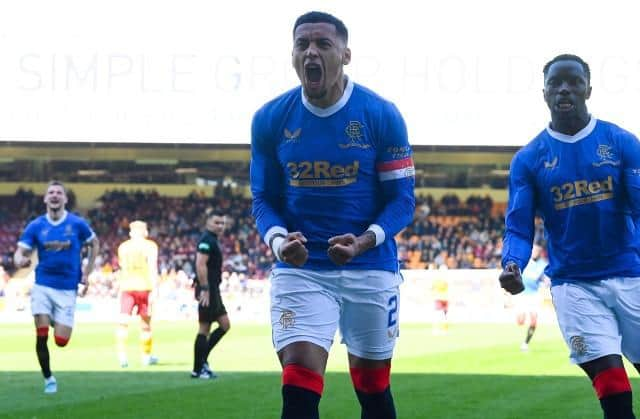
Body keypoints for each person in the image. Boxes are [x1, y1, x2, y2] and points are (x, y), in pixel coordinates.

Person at [250, 11, 415, 419]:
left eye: (322, 44)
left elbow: (402, 201)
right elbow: (263, 199)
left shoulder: (381, 114)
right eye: (302, 44)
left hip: (371, 265)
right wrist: (277, 241)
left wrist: (363, 241)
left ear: (345, 54)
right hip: (302, 270)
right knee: (299, 384)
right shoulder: (270, 118)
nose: (311, 52)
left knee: (373, 389)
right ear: (293, 55)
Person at [500, 54, 640, 419]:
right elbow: (518, 225)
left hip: (631, 276)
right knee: (612, 387)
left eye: (573, 81)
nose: (564, 88)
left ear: (588, 90)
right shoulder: (529, 158)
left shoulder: (622, 142)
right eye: (555, 83)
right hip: (574, 285)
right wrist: (512, 262)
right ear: (544, 92)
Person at [13, 180, 99, 394]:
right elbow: (19, 252)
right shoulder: (36, 226)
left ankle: (52, 318)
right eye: (50, 192)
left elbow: (94, 243)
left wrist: (87, 273)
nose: (54, 195)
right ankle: (48, 378)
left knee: (61, 341)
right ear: (45, 198)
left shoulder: (77, 224)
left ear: (65, 199)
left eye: (59, 193)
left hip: (67, 288)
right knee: (41, 333)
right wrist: (18, 262)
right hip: (43, 284)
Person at [191, 209, 230, 379]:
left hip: (213, 288)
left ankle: (202, 362)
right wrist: (204, 288)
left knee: (224, 325)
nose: (220, 226)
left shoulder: (212, 240)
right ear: (207, 222)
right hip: (208, 290)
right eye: (217, 222)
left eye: (222, 223)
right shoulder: (206, 240)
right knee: (205, 328)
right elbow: (200, 264)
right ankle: (198, 368)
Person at [115, 220, 159, 367]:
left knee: (123, 323)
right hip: (144, 288)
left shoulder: (123, 247)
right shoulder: (150, 246)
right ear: (145, 231)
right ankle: (146, 357)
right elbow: (153, 268)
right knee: (145, 324)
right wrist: (155, 289)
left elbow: (122, 269)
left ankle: (122, 357)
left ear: (131, 233)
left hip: (127, 288)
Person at [513, 244, 547, 352]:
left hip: (534, 295)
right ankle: (520, 336)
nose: (535, 252)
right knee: (520, 321)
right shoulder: (524, 262)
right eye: (534, 250)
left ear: (540, 252)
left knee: (533, 320)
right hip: (522, 294)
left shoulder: (543, 265)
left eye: (537, 250)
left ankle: (525, 343)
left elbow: (545, 279)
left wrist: (546, 282)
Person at [431, 264, 449, 335]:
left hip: (443, 298)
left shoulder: (444, 279)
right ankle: (438, 328)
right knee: (440, 315)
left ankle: (443, 329)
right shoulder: (439, 279)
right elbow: (433, 288)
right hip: (440, 298)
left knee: (444, 315)